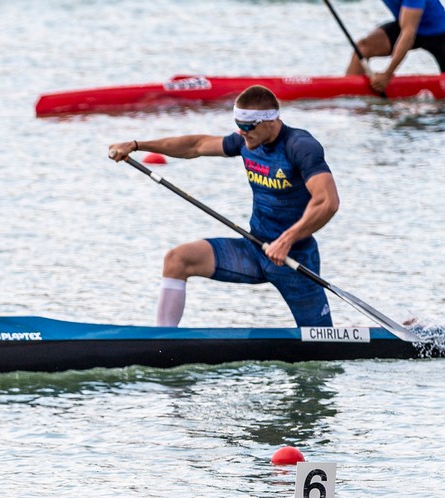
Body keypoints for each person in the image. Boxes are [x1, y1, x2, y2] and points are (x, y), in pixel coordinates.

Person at [107, 85, 340, 328]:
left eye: (248, 126)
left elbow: (327, 202)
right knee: (177, 259)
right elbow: (194, 146)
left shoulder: (300, 146)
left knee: (320, 338)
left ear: (270, 121)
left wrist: (287, 240)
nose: (242, 132)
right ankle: (162, 343)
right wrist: (136, 145)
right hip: (254, 249)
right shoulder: (245, 142)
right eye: (239, 124)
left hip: (294, 259)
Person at [345, 0, 445, 93]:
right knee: (363, 48)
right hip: (406, 24)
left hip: (440, 33)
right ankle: (349, 95)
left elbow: (408, 34)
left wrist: (387, 74)